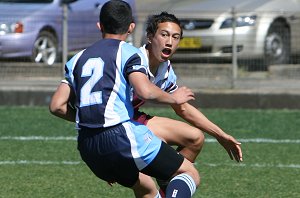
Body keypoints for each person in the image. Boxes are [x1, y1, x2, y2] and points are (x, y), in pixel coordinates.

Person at [49, 1, 200, 198]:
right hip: (120, 136)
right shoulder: (129, 53)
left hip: (88, 146)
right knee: (189, 173)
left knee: (146, 189)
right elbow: (145, 91)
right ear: (131, 27)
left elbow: (56, 106)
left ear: (100, 26)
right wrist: (174, 97)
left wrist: (91, 118)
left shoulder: (77, 59)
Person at [132, 11, 243, 196]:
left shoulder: (165, 69)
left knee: (195, 138)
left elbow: (182, 108)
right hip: (116, 123)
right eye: (164, 35)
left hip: (133, 118)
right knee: (181, 176)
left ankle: (168, 184)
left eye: (176, 37)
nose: (170, 42)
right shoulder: (134, 59)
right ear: (150, 37)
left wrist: (220, 135)